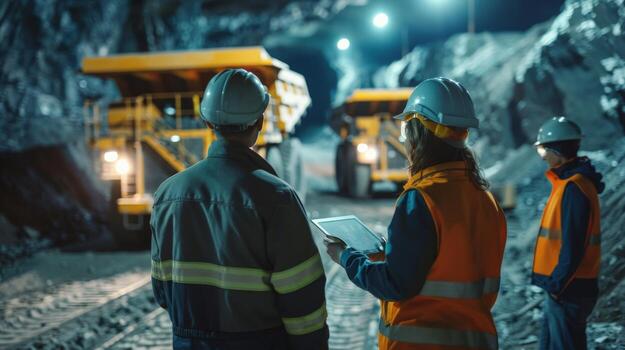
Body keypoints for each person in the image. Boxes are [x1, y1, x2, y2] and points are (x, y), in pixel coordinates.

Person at [151, 69, 328, 350]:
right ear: (258, 121)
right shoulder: (277, 198)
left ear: (207, 120)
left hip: (190, 342)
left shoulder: (167, 195)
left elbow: (162, 291)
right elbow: (301, 297)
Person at [324, 77, 507, 350]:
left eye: (406, 130)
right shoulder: (485, 198)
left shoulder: (421, 199)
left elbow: (396, 284)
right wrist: (389, 254)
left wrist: (347, 258)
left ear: (417, 134)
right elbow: (449, 263)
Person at [532, 116, 604, 350]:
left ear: (557, 151)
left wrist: (557, 286)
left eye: (544, 151)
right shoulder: (569, 184)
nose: (543, 158)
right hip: (566, 287)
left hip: (567, 290)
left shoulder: (574, 188)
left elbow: (573, 245)